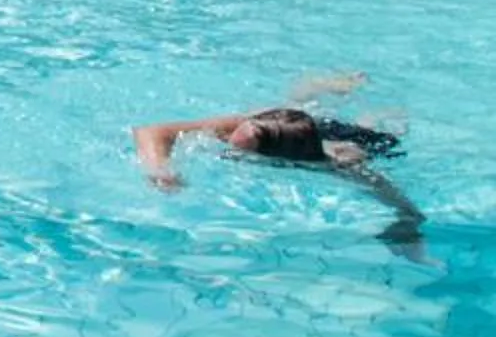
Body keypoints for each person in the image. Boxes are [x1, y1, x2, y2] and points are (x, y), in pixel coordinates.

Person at [133, 80, 423, 254]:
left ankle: (380, 113)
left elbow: (402, 203)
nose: (225, 146)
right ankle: (319, 87)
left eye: (238, 147)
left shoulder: (338, 163)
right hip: (296, 125)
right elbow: (150, 131)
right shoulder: (247, 125)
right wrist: (161, 171)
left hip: (346, 138)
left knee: (377, 133)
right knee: (289, 109)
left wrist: (405, 228)